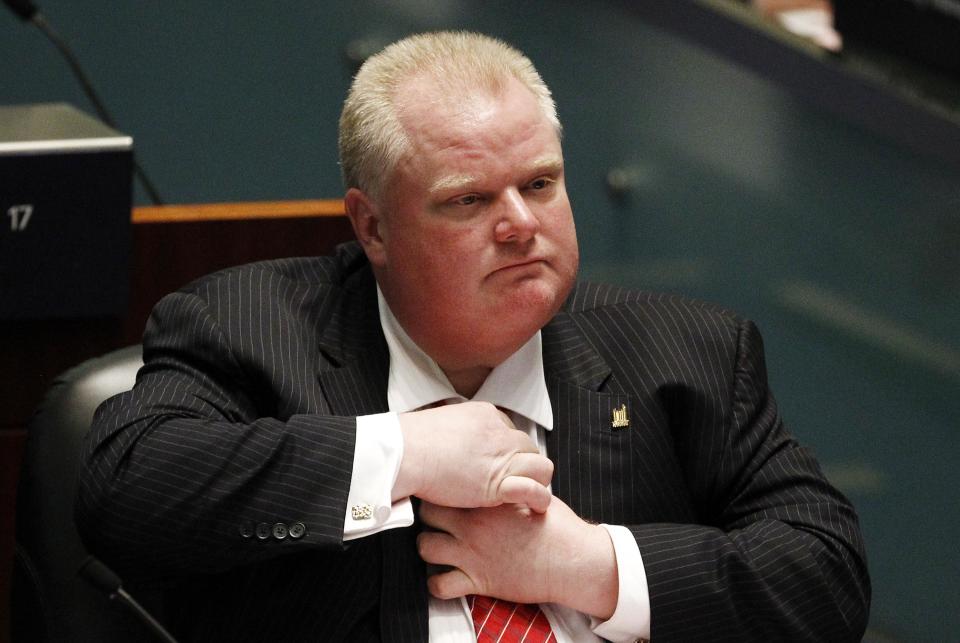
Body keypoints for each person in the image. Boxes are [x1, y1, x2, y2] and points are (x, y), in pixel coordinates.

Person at [77, 31, 870, 642]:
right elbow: (125, 487)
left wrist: (594, 566)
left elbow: (826, 574)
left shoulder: (686, 353)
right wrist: (403, 454)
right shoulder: (249, 328)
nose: (522, 224)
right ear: (373, 225)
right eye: (468, 200)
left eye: (540, 183)